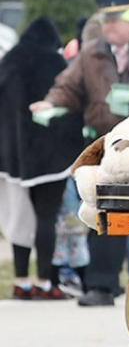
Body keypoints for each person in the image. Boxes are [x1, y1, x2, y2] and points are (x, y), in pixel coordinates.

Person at [30, 0, 129, 305]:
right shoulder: (92, 52)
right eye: (105, 21)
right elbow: (68, 85)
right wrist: (50, 101)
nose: (108, 27)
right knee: (106, 211)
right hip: (107, 143)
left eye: (114, 21)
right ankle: (101, 285)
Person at [0, 17, 86, 299]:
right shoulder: (56, 63)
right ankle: (45, 282)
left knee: (18, 218)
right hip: (51, 157)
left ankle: (21, 282)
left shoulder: (9, 61)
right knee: (46, 218)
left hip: (12, 156)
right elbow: (73, 105)